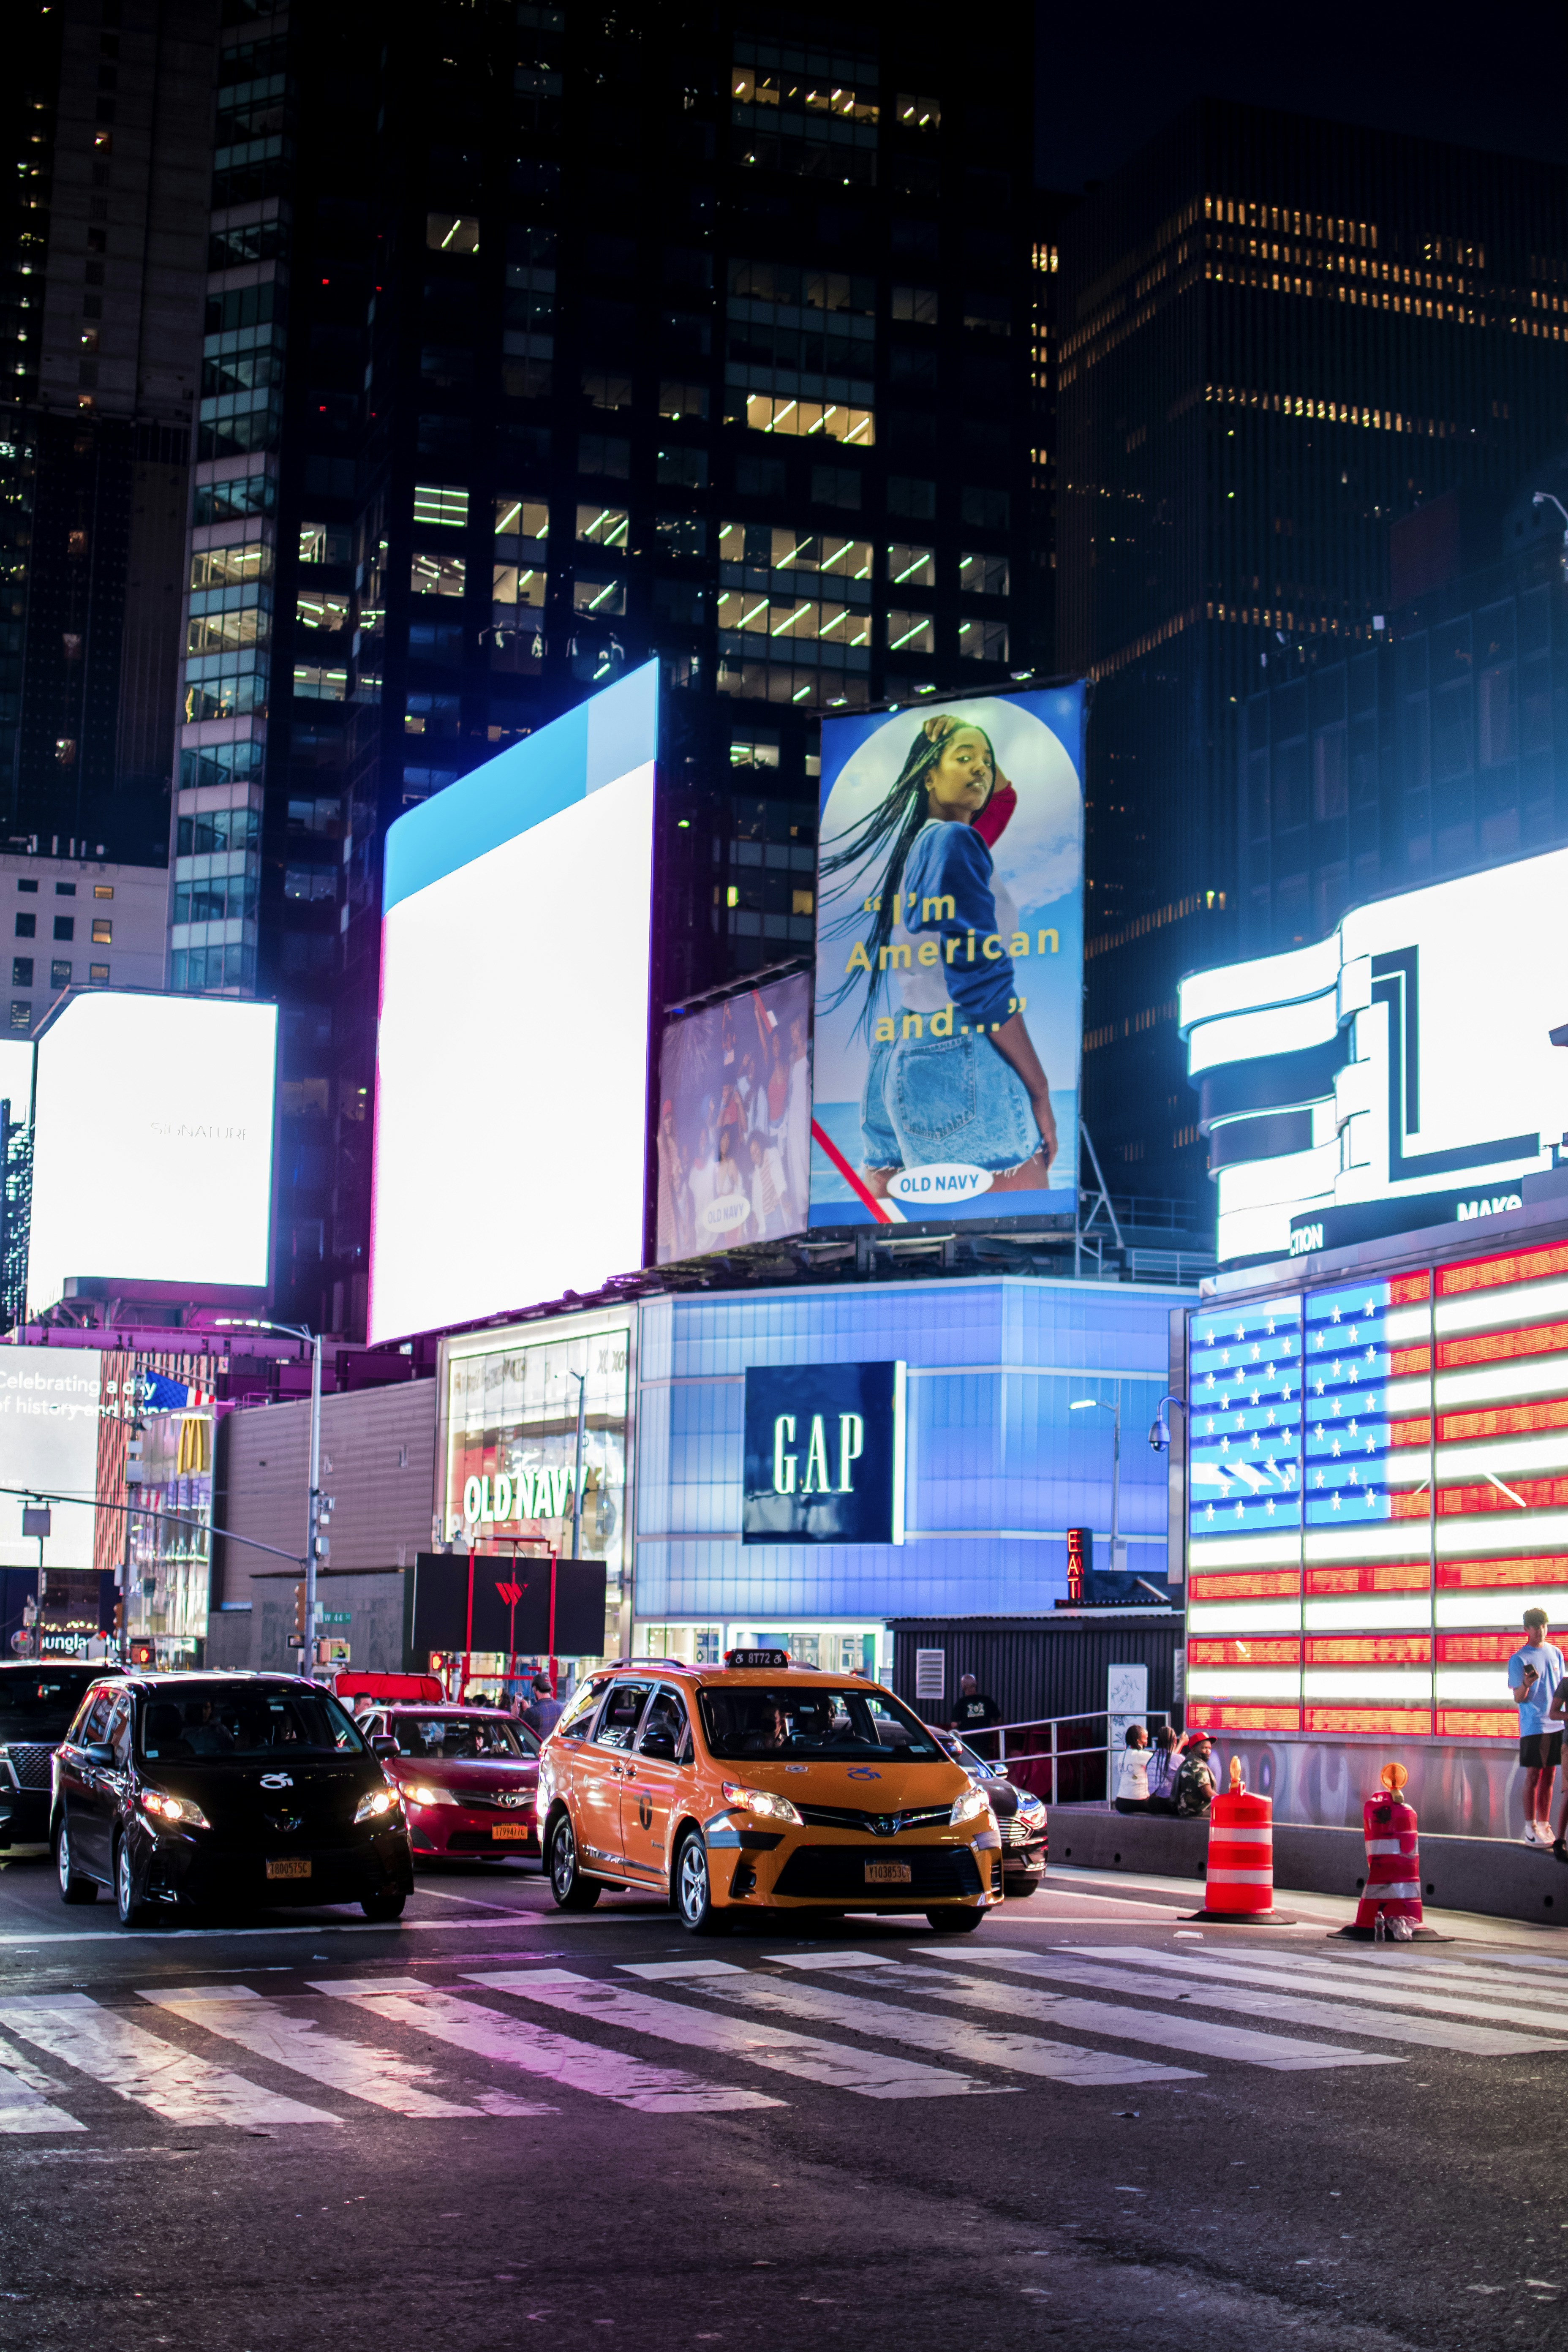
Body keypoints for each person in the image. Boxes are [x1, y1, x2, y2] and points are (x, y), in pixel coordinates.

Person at [820, 712, 1059, 1200]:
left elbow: (1005, 797)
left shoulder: (931, 845)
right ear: (929, 775)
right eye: (964, 758)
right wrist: (1040, 1091)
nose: (980, 771)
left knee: (903, 1250)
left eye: (986, 762)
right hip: (958, 1053)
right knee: (1020, 1227)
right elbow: (980, 985)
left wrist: (968, 736)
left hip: (900, 1054)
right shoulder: (952, 843)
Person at [1510, 1608, 1566, 1845]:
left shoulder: (1557, 1653)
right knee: (1533, 1775)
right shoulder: (1520, 1659)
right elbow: (1519, 1698)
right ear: (1526, 1630)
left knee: (1550, 1777)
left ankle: (1544, 1825)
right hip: (1534, 1725)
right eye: (1535, 1627)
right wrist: (1526, 1683)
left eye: (1544, 1626)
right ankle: (1530, 1827)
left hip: (1557, 1725)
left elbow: (1562, 1688)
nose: (1541, 1631)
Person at [949, 1672, 1002, 1759]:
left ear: (963, 1687)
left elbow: (954, 1724)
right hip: (985, 1742)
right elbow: (999, 1719)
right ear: (976, 1685)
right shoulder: (987, 1700)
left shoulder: (961, 1703)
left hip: (968, 1743)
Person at [1172, 1730, 1218, 1818]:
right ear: (1193, 1749)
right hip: (1196, 1813)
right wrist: (1225, 1800)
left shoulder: (1187, 1762)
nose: (1208, 1751)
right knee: (1226, 1815)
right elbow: (1208, 1794)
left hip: (1184, 1811)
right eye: (1204, 1748)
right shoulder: (1198, 1765)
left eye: (1210, 1748)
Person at [1112, 1723, 1151, 1812]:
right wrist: (1181, 1743)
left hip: (1120, 1802)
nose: (1147, 1742)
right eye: (1146, 1739)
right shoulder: (1141, 1755)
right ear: (1138, 1741)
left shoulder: (1122, 1756)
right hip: (1138, 1802)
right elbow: (1165, 1761)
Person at [1144, 1724, 1182, 1814]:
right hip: (1171, 1805)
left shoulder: (1152, 1759)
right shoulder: (1179, 1760)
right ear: (1175, 1741)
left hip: (1153, 1805)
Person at [521, 1674, 565, 1740]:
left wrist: (526, 1711)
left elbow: (520, 1735)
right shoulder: (561, 1708)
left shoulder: (531, 1713)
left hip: (537, 1749)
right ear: (550, 1689)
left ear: (535, 1689)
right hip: (553, 1749)